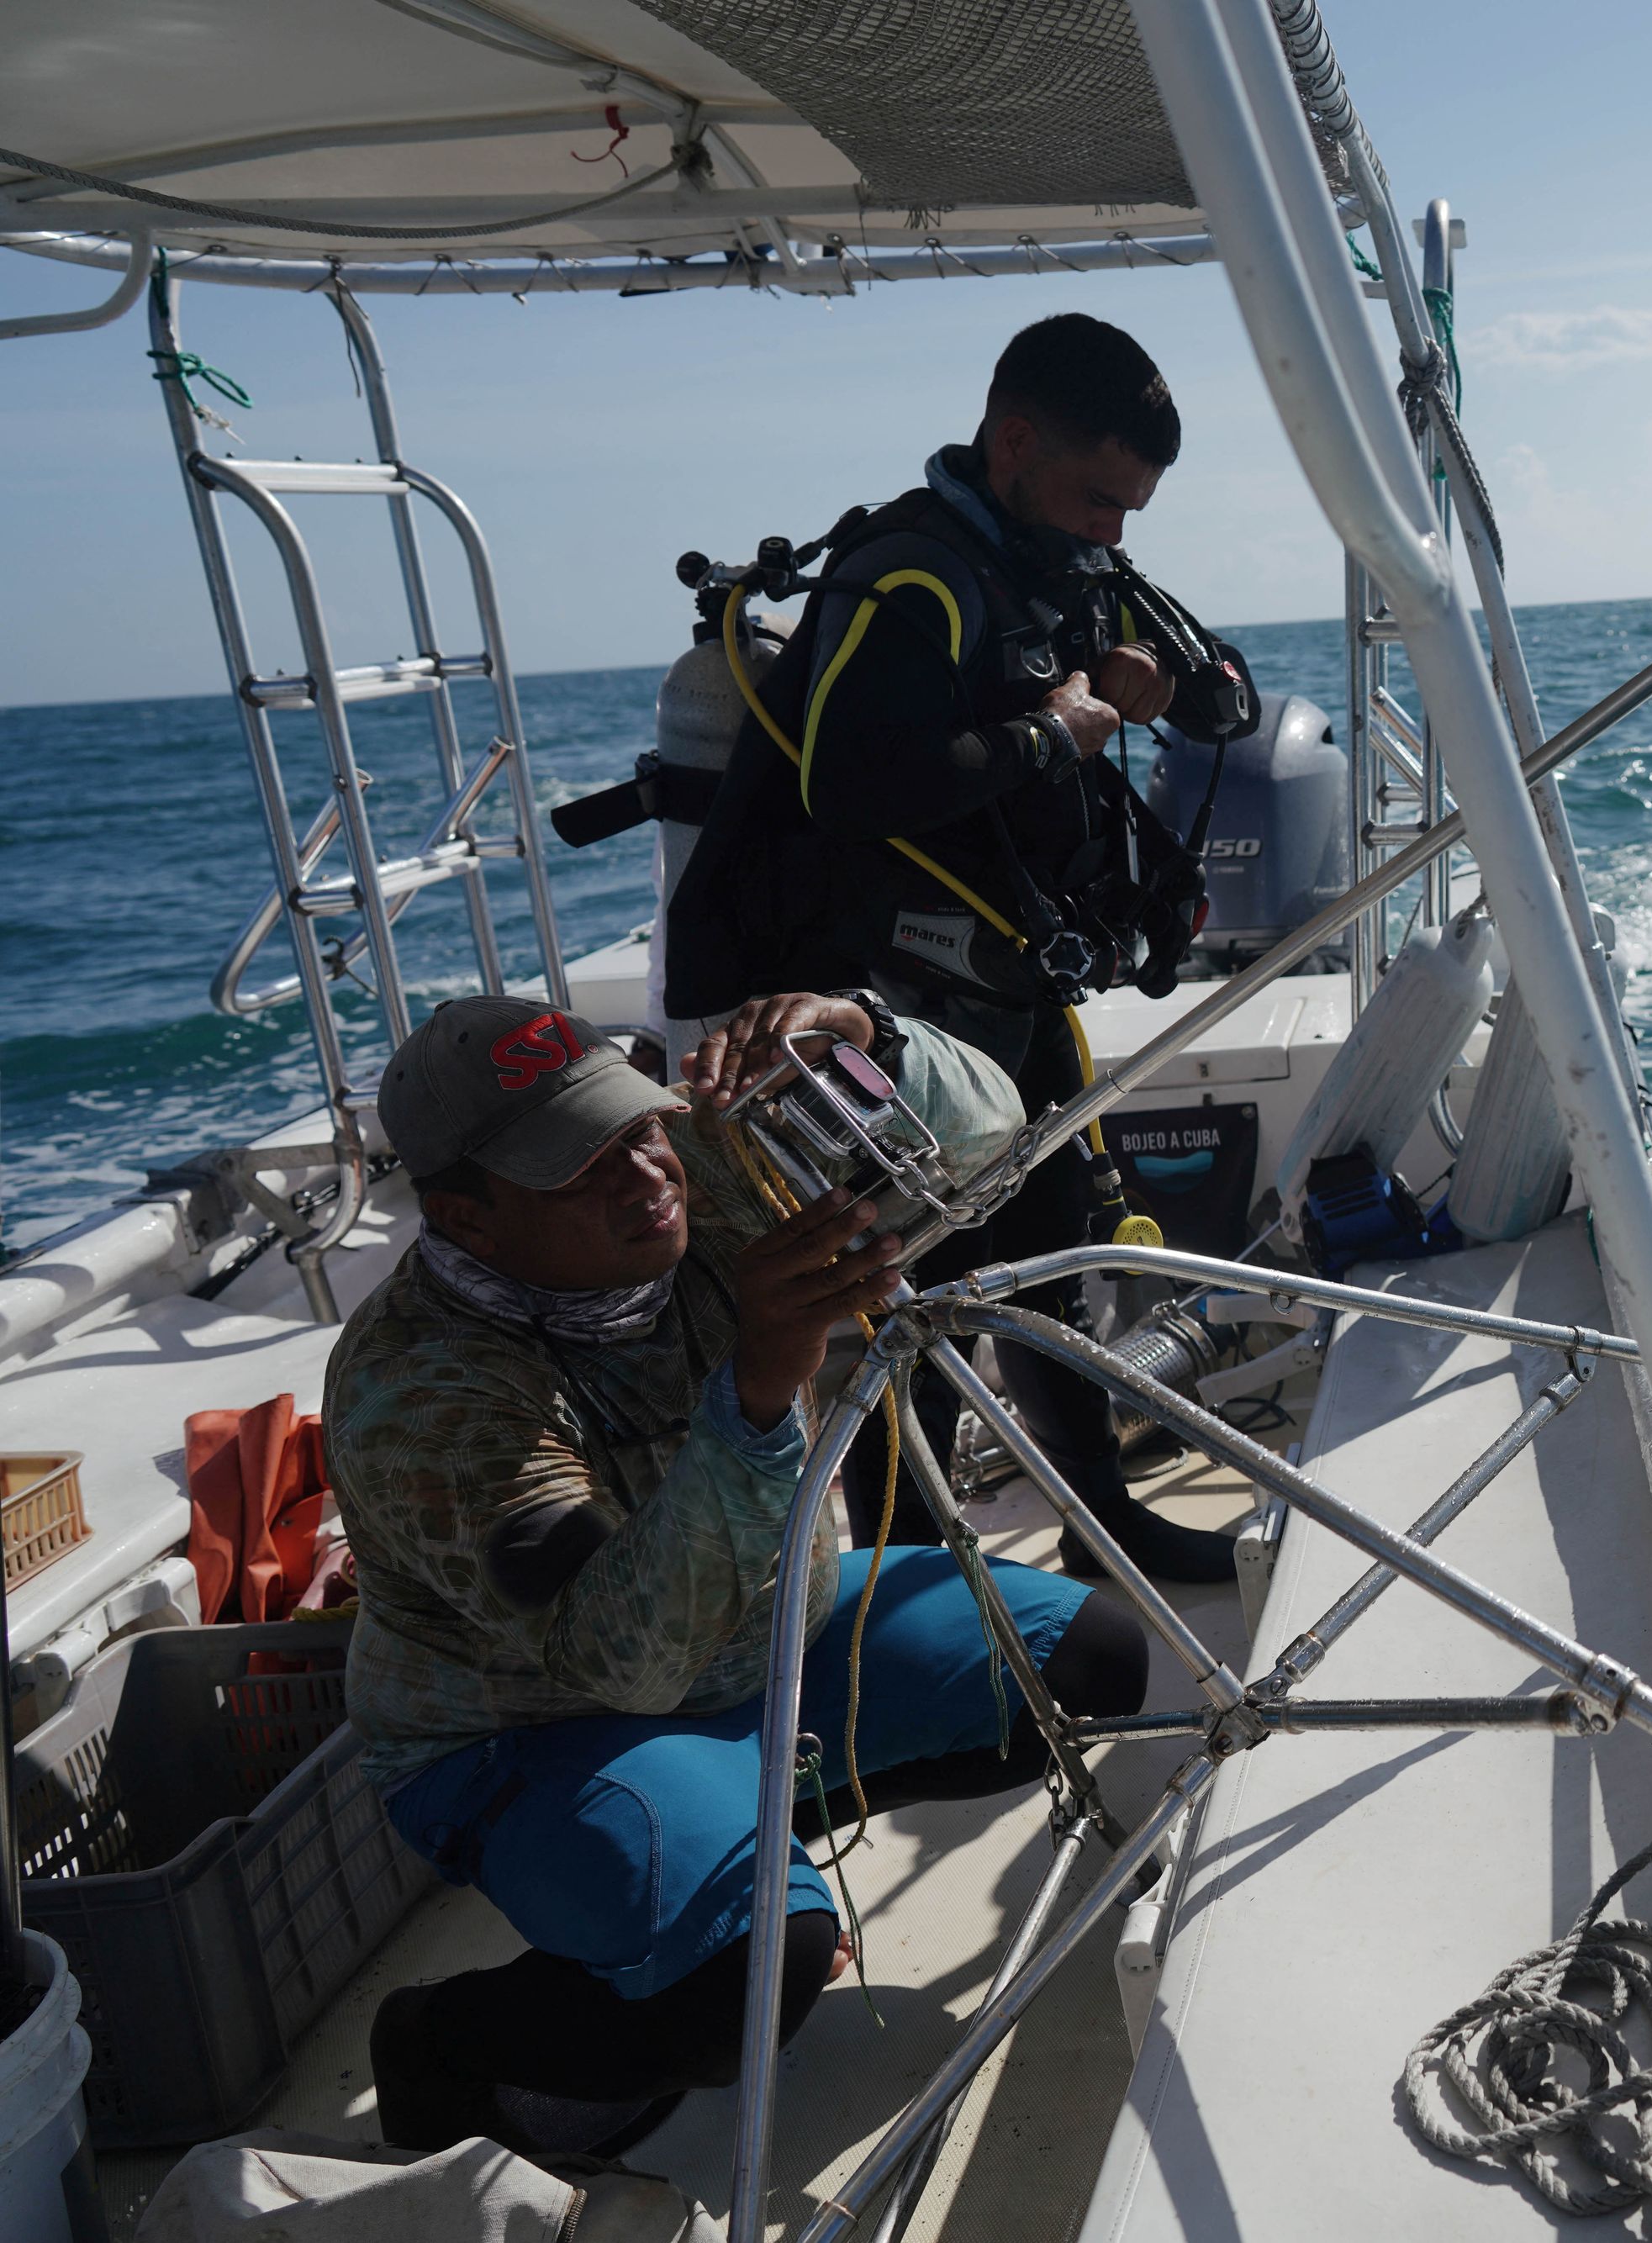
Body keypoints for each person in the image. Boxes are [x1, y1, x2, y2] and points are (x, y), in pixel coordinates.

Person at [335, 990, 1153, 2157]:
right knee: (754, 1973)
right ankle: (443, 2041)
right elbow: (626, 1660)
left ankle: (737, 1852)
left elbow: (987, 1146)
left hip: (772, 1631)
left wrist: (870, 1036)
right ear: (469, 1220)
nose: (646, 1176)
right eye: (581, 1168)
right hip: (538, 1726)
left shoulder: (707, 1171)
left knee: (1085, 1664)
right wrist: (760, 1392)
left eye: (635, 1126)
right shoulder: (422, 1392)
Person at [666, 312, 1259, 1582]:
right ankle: (912, 1579)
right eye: (1101, 497)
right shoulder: (912, 575)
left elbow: (1228, 696)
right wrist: (1058, 732)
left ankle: (1099, 1525)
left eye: (1134, 509)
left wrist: (1158, 678)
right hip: (870, 998)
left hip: (1006, 975)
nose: (1116, 530)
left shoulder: (1068, 562)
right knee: (914, 1289)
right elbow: (850, 788)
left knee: (1049, 1257)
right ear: (1014, 440)